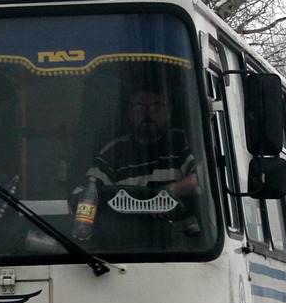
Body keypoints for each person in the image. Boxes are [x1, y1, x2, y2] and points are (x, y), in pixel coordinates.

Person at [74, 83, 199, 240]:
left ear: (169, 111)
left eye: (157, 106)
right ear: (130, 114)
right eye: (140, 107)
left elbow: (199, 181)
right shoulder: (112, 151)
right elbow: (87, 191)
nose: (148, 113)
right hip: (122, 243)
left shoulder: (181, 141)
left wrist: (167, 192)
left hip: (176, 242)